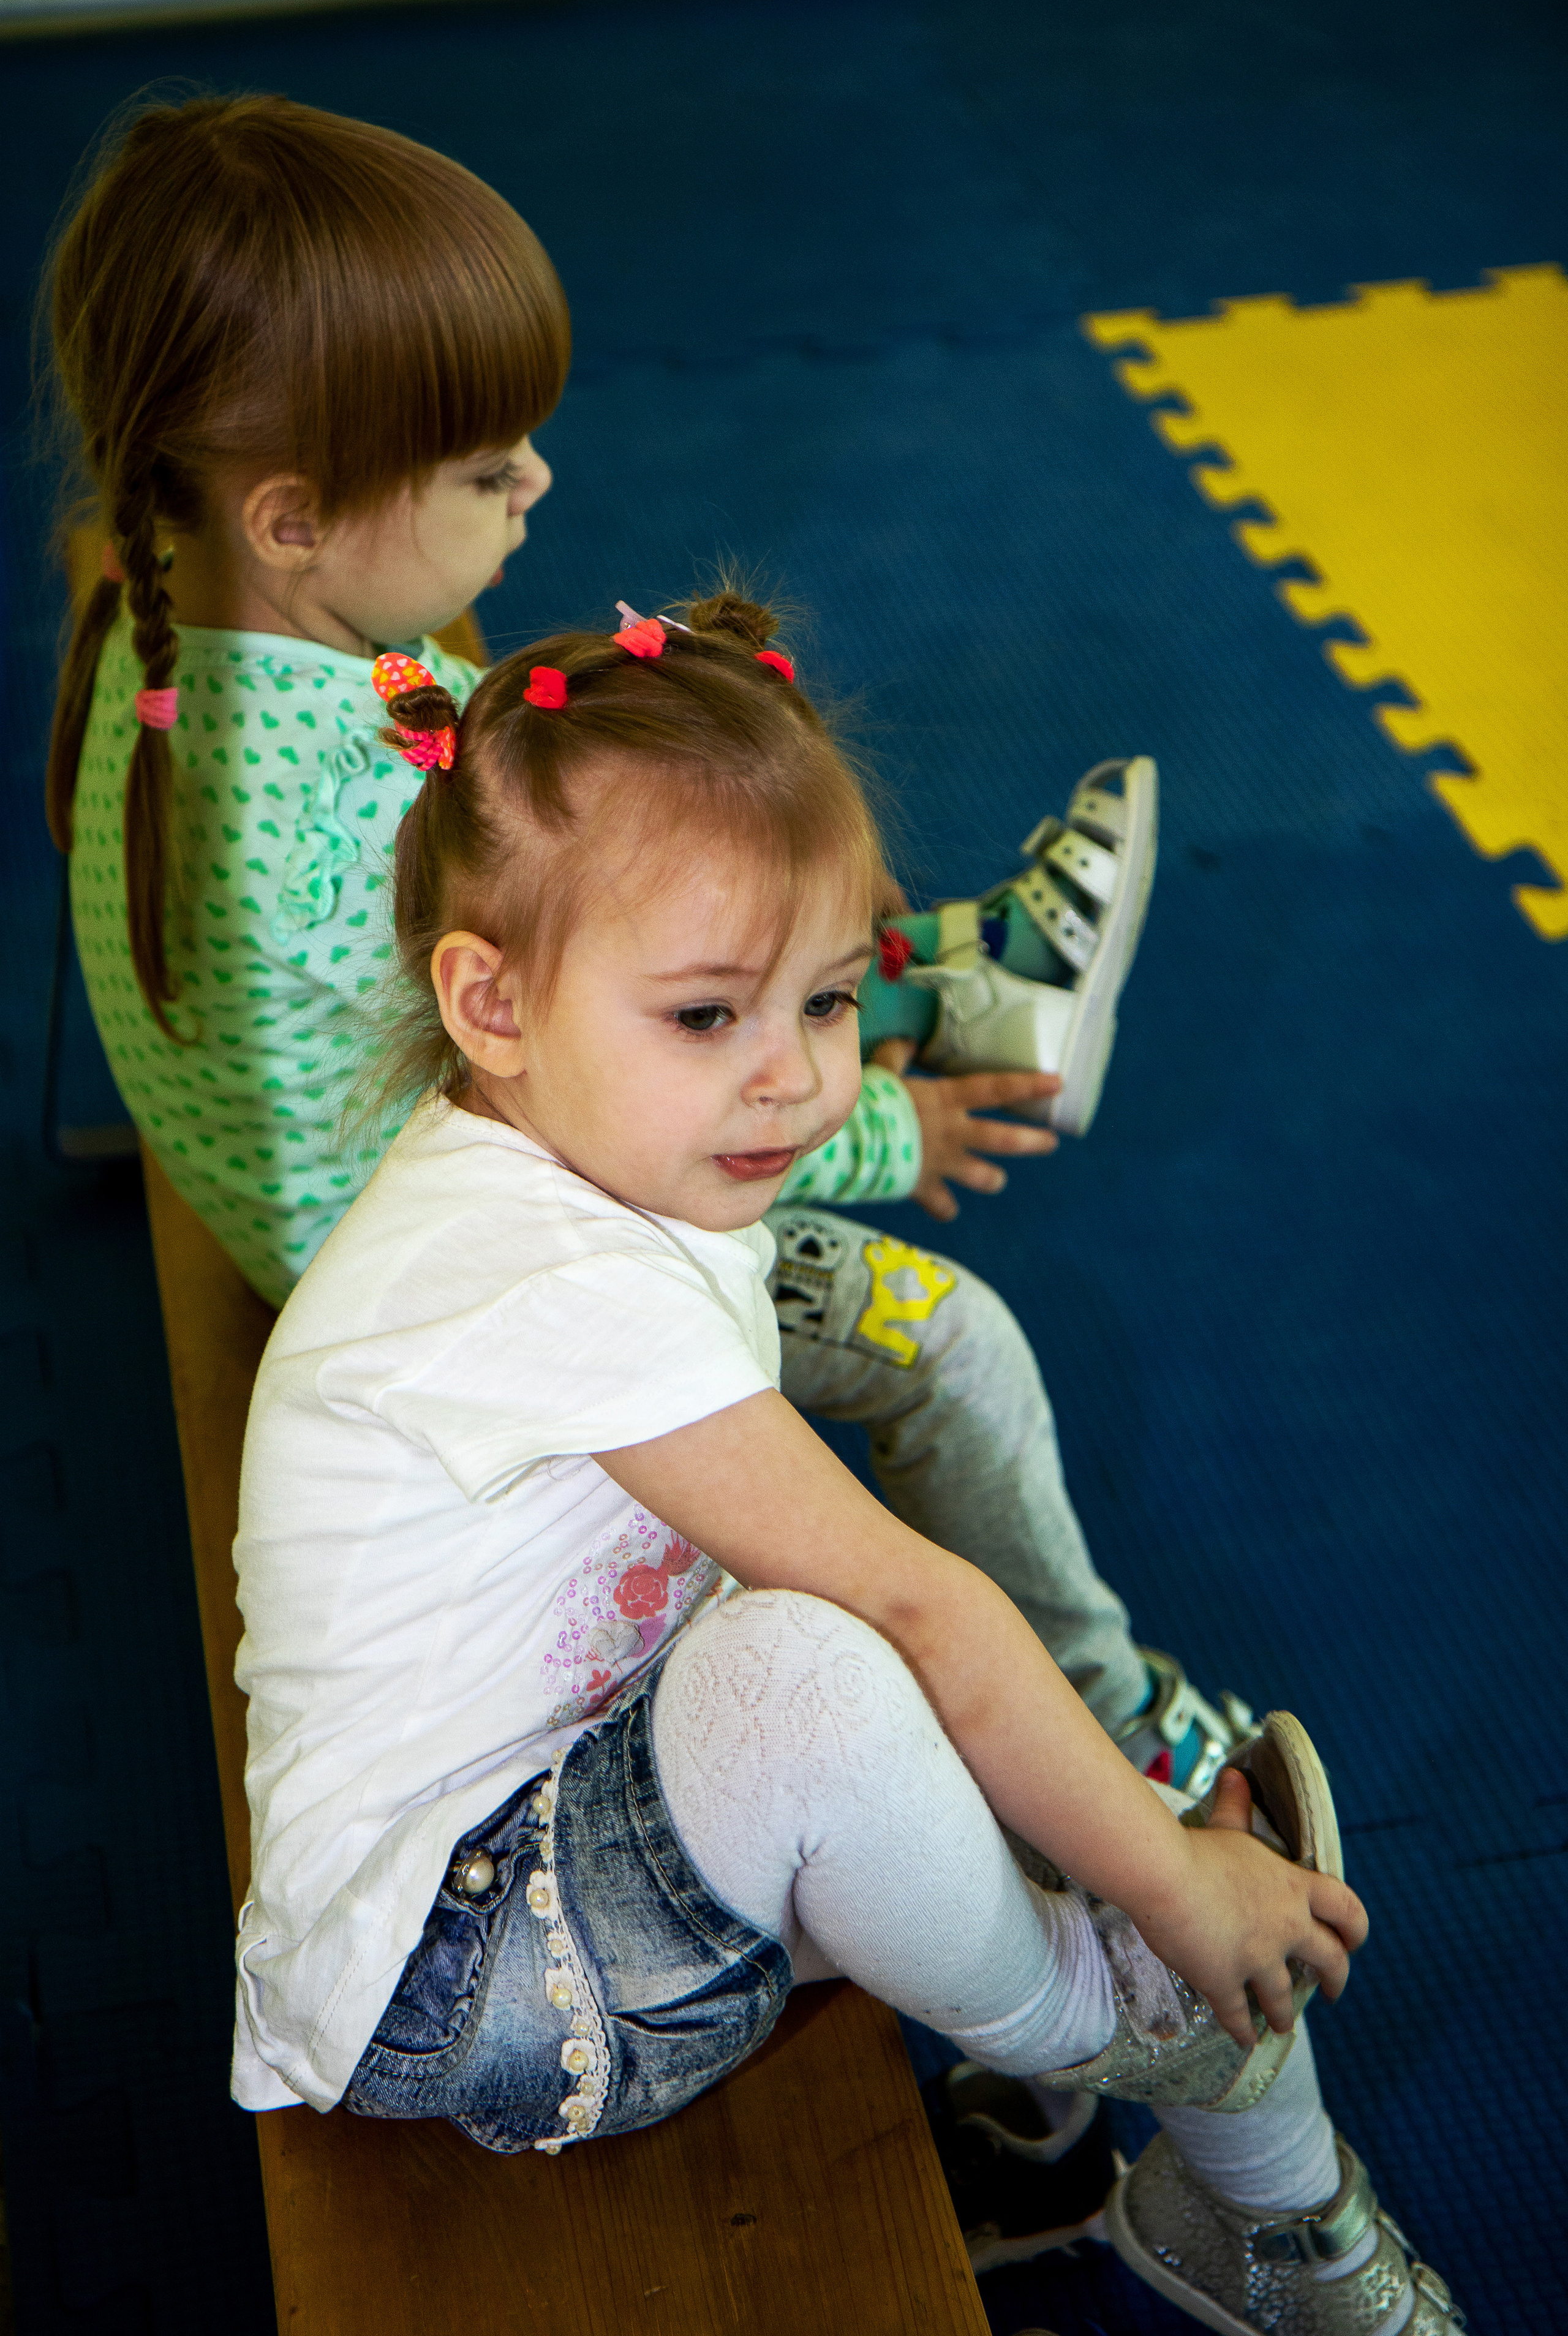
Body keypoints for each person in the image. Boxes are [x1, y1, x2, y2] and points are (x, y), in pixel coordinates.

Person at [225, 605, 1457, 2331]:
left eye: (824, 1000)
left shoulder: (591, 1159)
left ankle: (1211, 2149)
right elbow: (905, 1603)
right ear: (490, 1002)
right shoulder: (537, 1273)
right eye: (710, 1015)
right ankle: (1115, 2012)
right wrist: (1167, 1885)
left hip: (593, 1828)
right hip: (468, 1976)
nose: (799, 1079)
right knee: (832, 1658)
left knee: (886, 1664)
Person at [42, 92, 1254, 1814]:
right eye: (482, 467)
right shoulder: (323, 827)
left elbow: (472, 805)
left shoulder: (177, 615)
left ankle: (952, 969)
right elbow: (606, 1092)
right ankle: (1121, 1726)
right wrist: (892, 1137)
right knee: (959, 1345)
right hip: (473, 1288)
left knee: (679, 866)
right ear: (291, 516)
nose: (538, 480)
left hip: (328, 1178)